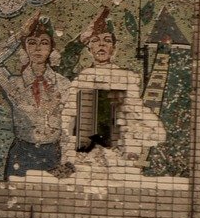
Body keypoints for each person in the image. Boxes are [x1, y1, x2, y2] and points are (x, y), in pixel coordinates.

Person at [70, 9, 165, 163]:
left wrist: (149, 132)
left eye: (107, 40)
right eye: (95, 40)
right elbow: (70, 118)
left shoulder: (126, 78)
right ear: (89, 49)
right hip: (87, 154)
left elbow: (135, 110)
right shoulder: (82, 79)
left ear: (114, 47)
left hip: (116, 152)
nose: (101, 44)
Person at [0, 16, 72, 176]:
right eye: (32, 42)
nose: (38, 48)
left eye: (44, 43)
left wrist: (67, 160)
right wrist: (19, 35)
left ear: (52, 48)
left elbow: (69, 125)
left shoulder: (63, 84)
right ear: (24, 48)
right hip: (22, 154)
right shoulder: (14, 83)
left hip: (52, 154)